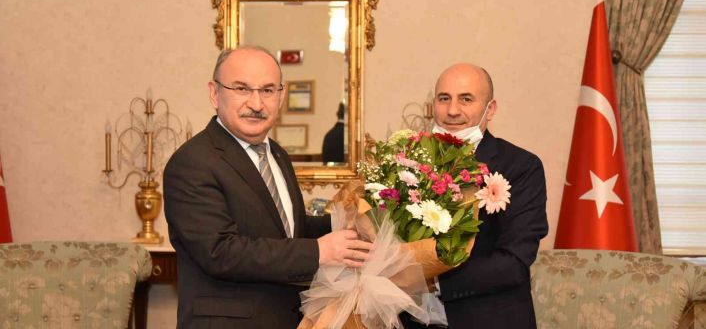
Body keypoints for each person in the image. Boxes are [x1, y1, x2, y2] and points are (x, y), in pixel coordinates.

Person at [163, 47, 372, 329]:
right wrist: (318, 251)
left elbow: (286, 230)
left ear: (281, 96)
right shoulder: (192, 162)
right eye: (241, 89)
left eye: (268, 90)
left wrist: (345, 224)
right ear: (214, 93)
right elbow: (221, 252)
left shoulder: (276, 154)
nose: (256, 103)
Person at [406, 63, 548, 329]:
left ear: (490, 109)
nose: (452, 110)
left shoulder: (521, 166)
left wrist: (432, 280)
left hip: (487, 319)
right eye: (444, 98)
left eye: (466, 99)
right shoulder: (410, 163)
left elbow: (514, 262)